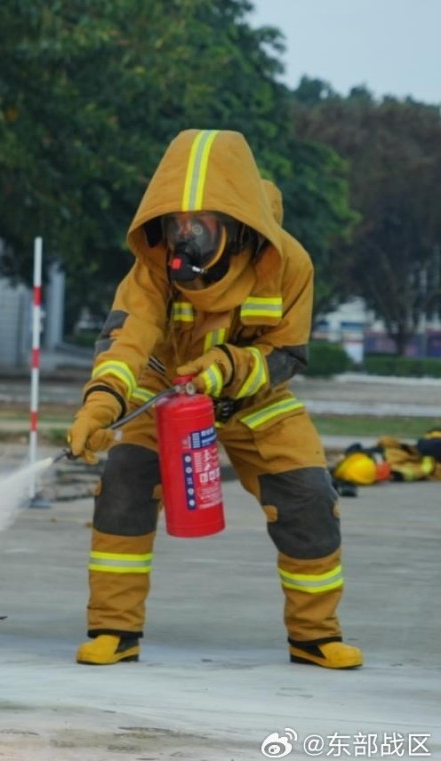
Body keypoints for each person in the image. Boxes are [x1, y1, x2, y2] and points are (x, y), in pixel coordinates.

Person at [66, 129, 362, 669]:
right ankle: (113, 630)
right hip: (165, 391)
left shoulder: (289, 263)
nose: (184, 237)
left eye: (199, 223)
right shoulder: (153, 264)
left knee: (309, 497)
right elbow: (127, 336)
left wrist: (227, 368)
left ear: (237, 221)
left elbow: (287, 356)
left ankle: (315, 637)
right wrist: (101, 404)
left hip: (255, 402)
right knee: (124, 485)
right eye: (176, 223)